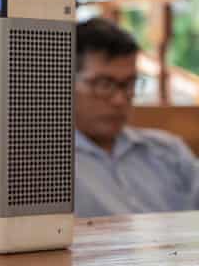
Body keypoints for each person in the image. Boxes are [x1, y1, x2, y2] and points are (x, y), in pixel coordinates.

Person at [74, 17, 199, 217]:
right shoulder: (46, 166)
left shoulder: (169, 153)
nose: (119, 99)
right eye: (104, 84)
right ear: (64, 83)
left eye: (129, 84)